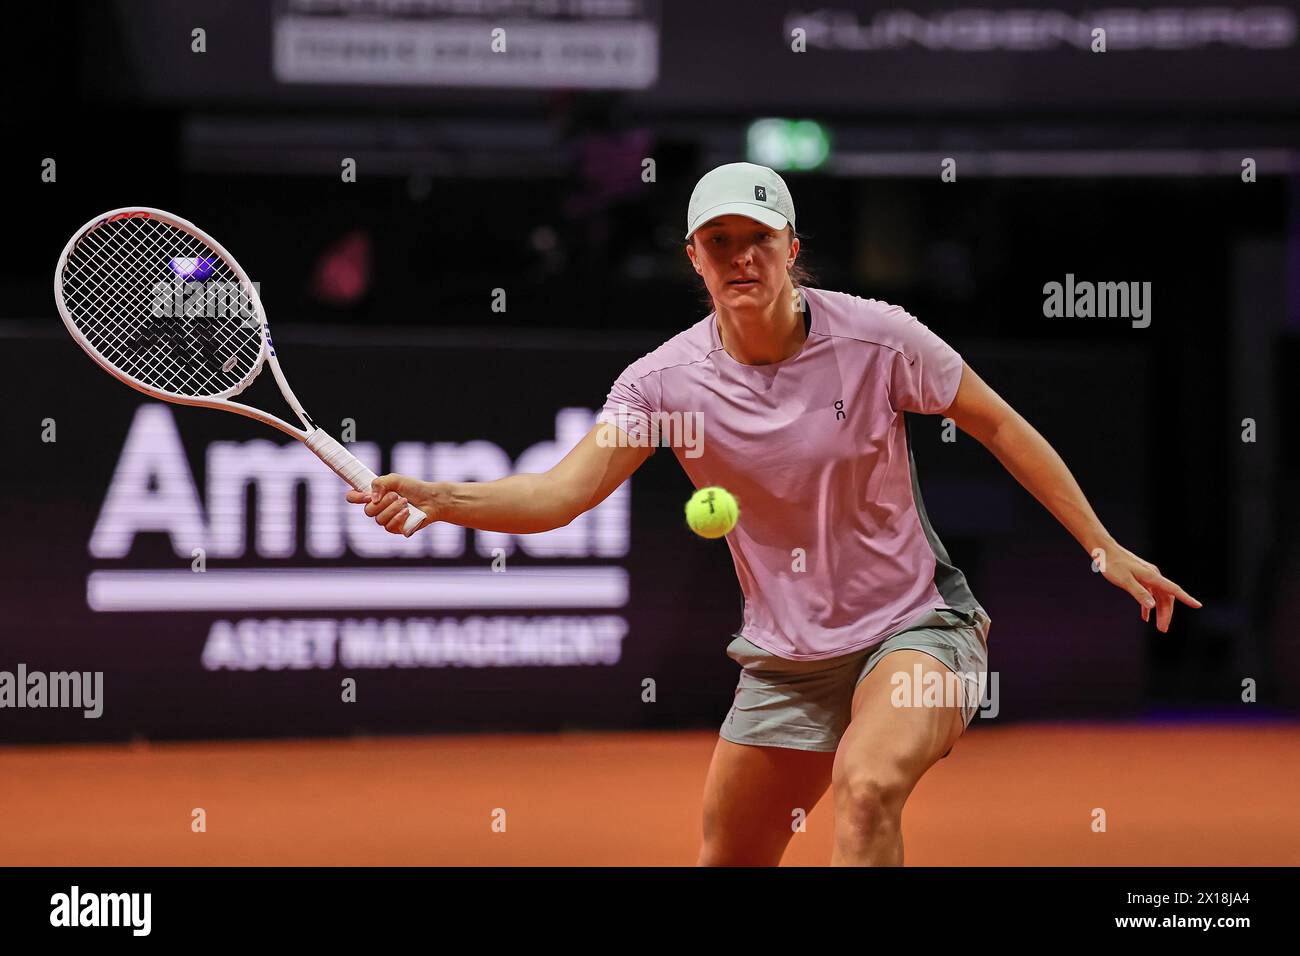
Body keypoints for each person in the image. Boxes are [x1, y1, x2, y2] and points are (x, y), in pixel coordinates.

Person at [346, 161, 1201, 866]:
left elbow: (998, 423)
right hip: (786, 662)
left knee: (867, 790)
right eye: (720, 242)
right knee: (730, 856)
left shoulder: (879, 340)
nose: (741, 257)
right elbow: (561, 493)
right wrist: (440, 496)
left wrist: (1102, 545)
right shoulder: (662, 384)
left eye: (759, 239)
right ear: (694, 258)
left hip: (915, 629)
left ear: (793, 248)